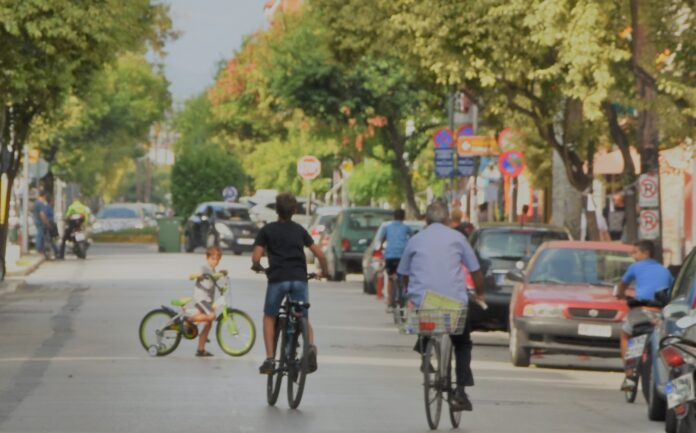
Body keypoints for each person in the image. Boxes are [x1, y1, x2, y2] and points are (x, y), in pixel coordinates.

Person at [397, 200, 485, 411]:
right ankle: (460, 392)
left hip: (425, 302)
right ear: (447, 220)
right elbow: (475, 270)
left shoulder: (416, 240)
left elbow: (403, 273)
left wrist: (410, 291)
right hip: (454, 304)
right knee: (462, 343)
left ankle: (424, 348)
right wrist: (480, 293)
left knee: (426, 317)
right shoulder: (458, 238)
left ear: (426, 220)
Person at [252, 193, 328, 375]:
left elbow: (256, 257)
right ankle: (309, 347)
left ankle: (270, 360)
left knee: (269, 316)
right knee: (304, 316)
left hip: (278, 279)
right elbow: (320, 254)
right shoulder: (299, 230)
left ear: (276, 210)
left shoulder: (267, 230)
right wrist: (324, 272)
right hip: (299, 279)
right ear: (294, 210)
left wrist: (257, 266)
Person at [615, 240, 674, 389]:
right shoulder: (665, 270)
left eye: (635, 252)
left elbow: (622, 285)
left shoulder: (635, 267)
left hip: (641, 310)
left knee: (625, 334)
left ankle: (629, 375)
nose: (633, 256)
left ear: (646, 253)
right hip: (660, 313)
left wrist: (620, 294)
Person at [189, 246, 223, 357]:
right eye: (213, 259)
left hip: (208, 300)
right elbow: (192, 276)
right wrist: (196, 275)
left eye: (218, 259)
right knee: (212, 316)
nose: (215, 261)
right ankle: (189, 320)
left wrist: (222, 274)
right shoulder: (204, 268)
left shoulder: (213, 270)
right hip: (202, 298)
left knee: (208, 323)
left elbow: (214, 280)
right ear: (207, 258)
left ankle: (201, 349)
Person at [379, 208, 412, 312]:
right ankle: (406, 295)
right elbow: (412, 238)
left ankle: (390, 303)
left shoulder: (387, 227)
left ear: (393, 217)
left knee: (390, 278)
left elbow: (381, 239)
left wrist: (381, 247)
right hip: (402, 256)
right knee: (406, 276)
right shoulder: (406, 228)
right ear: (403, 217)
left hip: (390, 256)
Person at [32, 191, 50, 255]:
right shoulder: (41, 203)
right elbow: (42, 214)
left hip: (37, 221)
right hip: (40, 222)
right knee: (40, 235)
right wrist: (46, 222)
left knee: (39, 235)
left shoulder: (36, 203)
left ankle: (40, 249)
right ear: (44, 196)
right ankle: (39, 249)